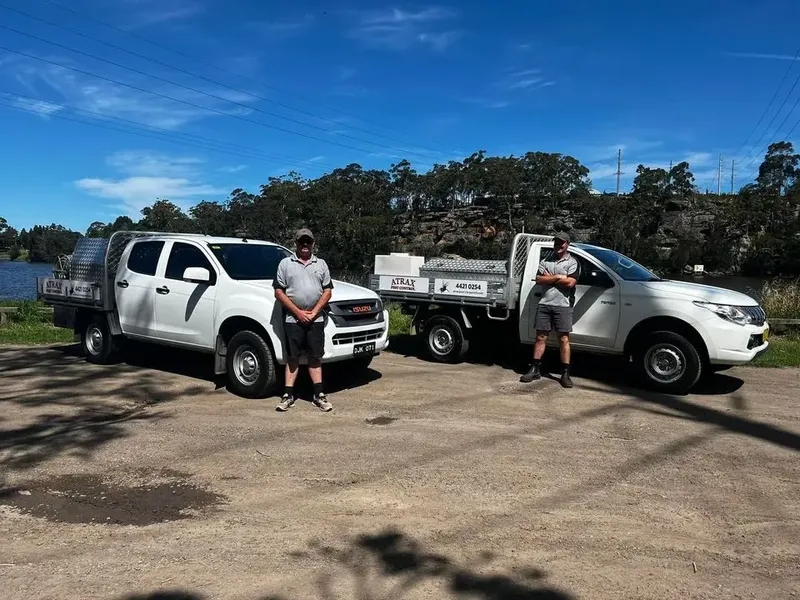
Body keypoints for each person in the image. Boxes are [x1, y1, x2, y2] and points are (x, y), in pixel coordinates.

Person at [273, 228, 334, 412]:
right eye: (302, 242)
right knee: (293, 358)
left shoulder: (321, 264)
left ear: (313, 243)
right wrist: (298, 312)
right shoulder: (285, 264)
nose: (305, 245)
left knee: (315, 357)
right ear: (296, 244)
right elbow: (278, 292)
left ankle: (318, 394)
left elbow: (328, 291)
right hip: (293, 319)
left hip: (315, 319)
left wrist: (314, 312)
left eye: (308, 242)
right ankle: (288, 395)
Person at [520, 232, 578, 388]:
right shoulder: (546, 260)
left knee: (564, 339)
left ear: (567, 244)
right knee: (540, 337)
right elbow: (539, 279)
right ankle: (535, 368)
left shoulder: (573, 262)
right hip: (545, 303)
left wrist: (550, 278)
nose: (558, 246)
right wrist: (559, 277)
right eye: (556, 243)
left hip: (563, 305)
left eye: (561, 243)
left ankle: (565, 373)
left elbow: (570, 283)